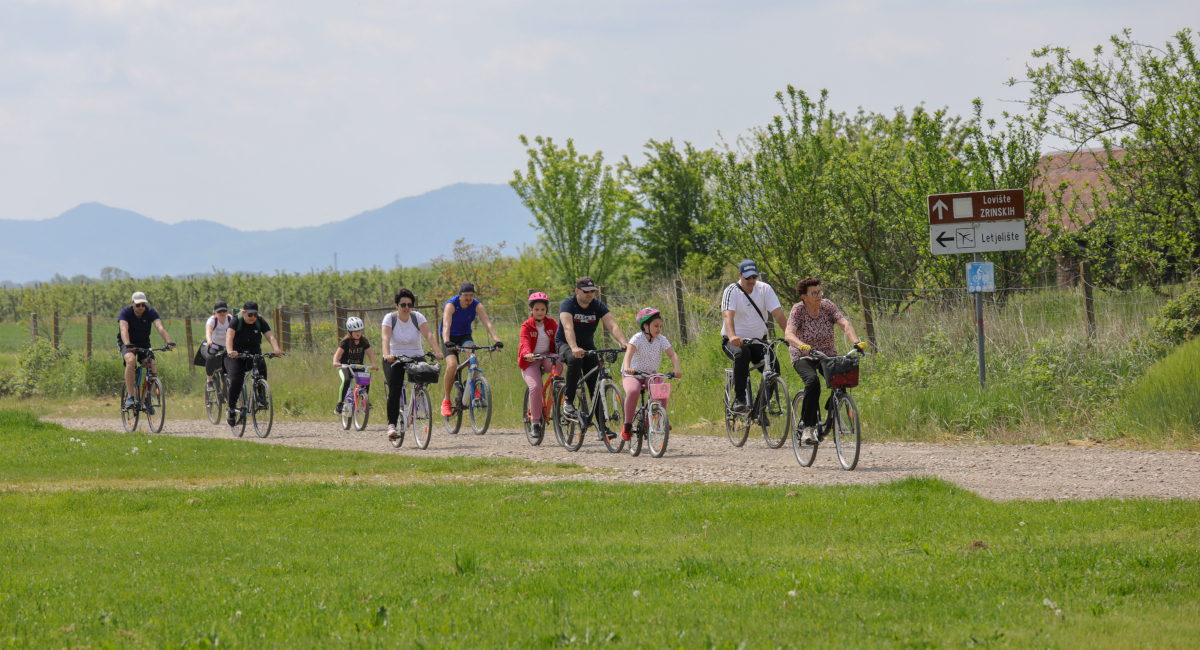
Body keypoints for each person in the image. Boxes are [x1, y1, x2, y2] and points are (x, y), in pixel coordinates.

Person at [784, 277, 867, 445]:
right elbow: (789, 334)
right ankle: (808, 427)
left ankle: (832, 407)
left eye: (819, 292)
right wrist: (802, 346)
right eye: (813, 293)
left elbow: (845, 324)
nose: (818, 295)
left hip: (826, 354)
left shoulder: (827, 306)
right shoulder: (798, 310)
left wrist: (856, 342)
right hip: (803, 355)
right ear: (804, 297)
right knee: (813, 382)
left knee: (842, 377)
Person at [557, 277, 630, 438]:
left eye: (592, 291)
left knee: (596, 384)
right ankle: (568, 401)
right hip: (566, 344)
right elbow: (568, 328)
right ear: (577, 291)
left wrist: (624, 343)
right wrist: (574, 347)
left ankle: (602, 428)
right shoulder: (568, 304)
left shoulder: (597, 305)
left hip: (588, 347)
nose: (590, 294)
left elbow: (612, 324)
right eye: (586, 291)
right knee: (575, 360)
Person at [721, 259, 788, 412]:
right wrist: (732, 337)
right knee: (742, 353)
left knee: (773, 367)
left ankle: (759, 409)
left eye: (754, 277)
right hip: (735, 340)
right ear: (739, 275)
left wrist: (789, 336)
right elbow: (728, 317)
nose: (751, 281)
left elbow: (778, 314)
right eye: (747, 277)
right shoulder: (731, 290)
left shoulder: (765, 289)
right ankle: (739, 399)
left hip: (758, 340)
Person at [382, 289, 443, 440]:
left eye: (409, 304)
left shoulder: (417, 317)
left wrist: (437, 352)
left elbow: (428, 334)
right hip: (395, 357)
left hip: (416, 355)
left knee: (425, 376)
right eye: (403, 304)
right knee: (395, 389)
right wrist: (387, 354)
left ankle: (420, 401)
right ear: (396, 305)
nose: (406, 307)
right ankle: (391, 426)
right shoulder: (390, 318)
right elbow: (385, 338)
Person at [619, 307, 682, 442]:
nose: (659, 329)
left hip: (650, 374)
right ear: (645, 326)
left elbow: (672, 354)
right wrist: (627, 368)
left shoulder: (661, 339)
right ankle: (627, 425)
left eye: (660, 326)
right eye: (655, 326)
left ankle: (658, 420)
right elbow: (628, 354)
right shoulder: (637, 338)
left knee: (662, 388)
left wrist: (677, 369)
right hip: (633, 374)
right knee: (633, 391)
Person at [440, 282, 503, 416]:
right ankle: (446, 400)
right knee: (452, 365)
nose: (469, 298)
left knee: (473, 358)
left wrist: (497, 340)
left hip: (464, 336)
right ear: (460, 295)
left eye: (471, 295)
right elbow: (446, 325)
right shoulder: (451, 305)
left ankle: (475, 389)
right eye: (466, 295)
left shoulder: (476, 305)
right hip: (449, 336)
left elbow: (487, 323)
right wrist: (446, 341)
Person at [224, 301, 284, 427]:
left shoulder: (259, 321)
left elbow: (270, 337)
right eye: (250, 315)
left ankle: (261, 395)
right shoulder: (236, 321)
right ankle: (231, 409)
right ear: (244, 313)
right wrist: (230, 351)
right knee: (236, 379)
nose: (253, 318)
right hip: (236, 355)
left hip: (253, 353)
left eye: (256, 314)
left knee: (261, 365)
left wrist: (276, 349)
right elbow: (229, 337)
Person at [117, 291, 176, 409]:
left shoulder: (150, 312)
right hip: (128, 343)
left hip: (143, 344)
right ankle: (131, 397)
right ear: (132, 303)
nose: (141, 308)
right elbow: (124, 330)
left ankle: (145, 400)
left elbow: (160, 327)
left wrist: (169, 341)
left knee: (152, 365)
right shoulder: (125, 313)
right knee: (131, 360)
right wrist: (128, 344)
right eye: (138, 305)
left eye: (143, 305)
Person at [517, 291, 559, 441]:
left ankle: (558, 390)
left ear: (546, 310)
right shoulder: (527, 325)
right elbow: (525, 342)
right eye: (536, 310)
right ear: (531, 310)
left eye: (542, 309)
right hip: (530, 360)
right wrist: (528, 353)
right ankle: (535, 423)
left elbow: (560, 339)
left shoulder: (552, 323)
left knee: (559, 361)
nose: (540, 312)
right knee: (535, 387)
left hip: (547, 356)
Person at [332, 316, 379, 416]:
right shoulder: (345, 343)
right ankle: (340, 404)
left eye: (360, 330)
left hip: (358, 367)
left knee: (366, 379)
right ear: (350, 331)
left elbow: (370, 355)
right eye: (355, 330)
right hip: (345, 367)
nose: (358, 332)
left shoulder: (364, 342)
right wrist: (336, 362)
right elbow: (337, 354)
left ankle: (363, 401)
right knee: (346, 380)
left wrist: (373, 365)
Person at [200, 301, 233, 388]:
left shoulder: (230, 319)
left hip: (225, 347)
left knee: (228, 367)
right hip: (211, 345)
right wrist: (209, 340)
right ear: (215, 312)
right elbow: (208, 332)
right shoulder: (212, 320)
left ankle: (226, 390)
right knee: (211, 358)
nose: (222, 313)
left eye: (224, 311)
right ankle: (209, 381)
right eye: (219, 311)